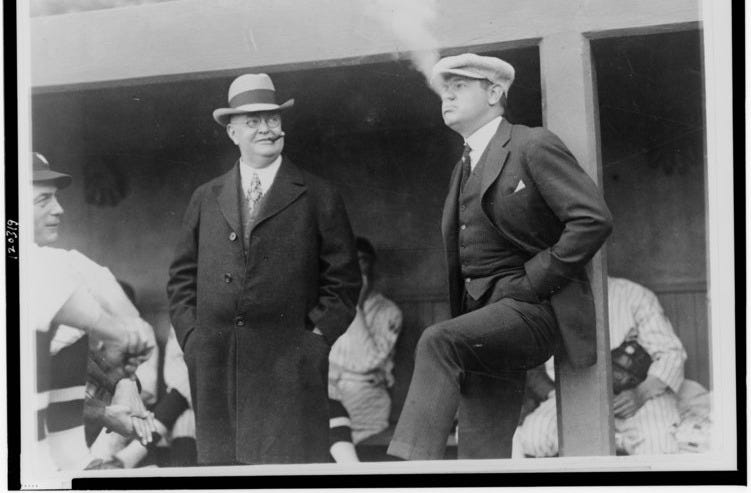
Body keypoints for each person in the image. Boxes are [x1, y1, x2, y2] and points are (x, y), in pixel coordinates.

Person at [387, 53, 613, 460]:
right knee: (480, 453)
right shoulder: (463, 166)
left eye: (460, 86)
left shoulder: (531, 144)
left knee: (437, 340)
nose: (447, 96)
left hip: (532, 310)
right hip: (482, 319)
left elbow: (592, 220)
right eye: (444, 88)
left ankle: (409, 473)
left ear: (494, 93)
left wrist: (534, 280)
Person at [167, 73, 361, 465]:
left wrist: (315, 341)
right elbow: (181, 278)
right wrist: (193, 341)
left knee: (285, 475)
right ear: (232, 132)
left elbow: (344, 281)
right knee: (222, 478)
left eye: (272, 119)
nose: (266, 129)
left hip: (288, 369)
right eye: (253, 122)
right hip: (216, 365)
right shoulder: (206, 197)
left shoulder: (318, 194)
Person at [29, 152, 155, 473]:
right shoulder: (40, 271)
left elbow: (103, 346)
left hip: (62, 460)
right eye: (43, 200)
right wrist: (106, 411)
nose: (59, 209)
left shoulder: (54, 266)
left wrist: (125, 382)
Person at [516, 277, 687, 456]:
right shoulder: (549, 298)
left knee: (656, 442)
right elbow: (530, 361)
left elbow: (670, 354)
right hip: (575, 397)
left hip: (638, 394)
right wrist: (555, 395)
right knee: (534, 438)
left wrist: (641, 394)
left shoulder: (634, 294)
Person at [328, 237, 402, 445]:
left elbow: (366, 362)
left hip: (366, 396)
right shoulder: (329, 306)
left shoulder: (388, 311)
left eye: (363, 260)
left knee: (340, 446)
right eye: (351, 260)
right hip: (331, 392)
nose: (357, 267)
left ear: (371, 266)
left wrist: (357, 308)